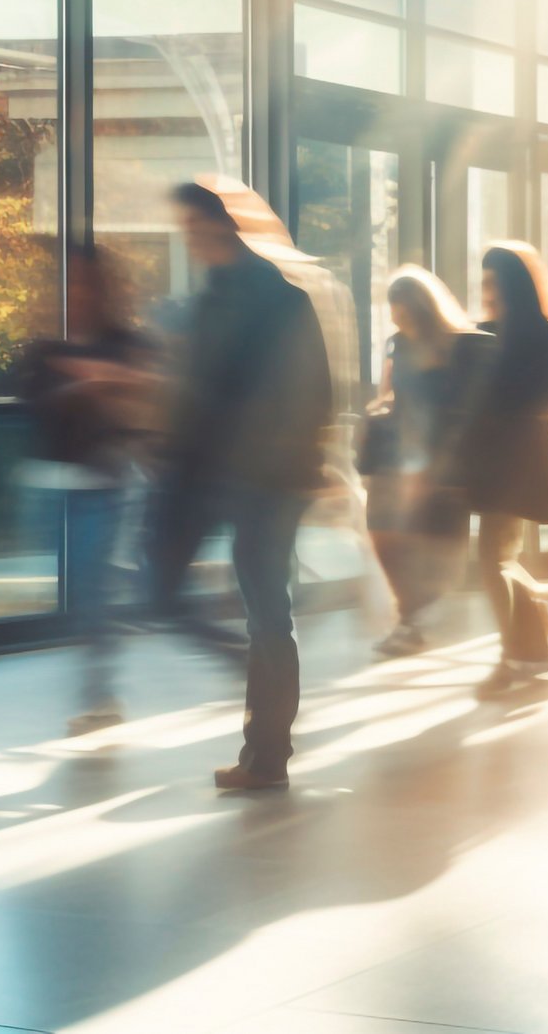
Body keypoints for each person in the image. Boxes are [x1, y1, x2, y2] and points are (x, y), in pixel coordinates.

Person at [149, 182, 333, 790]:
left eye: (193, 226)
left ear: (218, 224)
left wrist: (285, 461)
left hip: (267, 480)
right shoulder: (215, 298)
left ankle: (268, 754)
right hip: (226, 474)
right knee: (245, 610)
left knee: (267, 614)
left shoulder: (278, 299)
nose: (189, 239)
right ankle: (264, 744)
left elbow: (310, 394)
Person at [17, 245, 157, 734]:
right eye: (72, 281)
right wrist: (87, 387)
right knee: (84, 593)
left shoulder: (122, 342)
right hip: (53, 484)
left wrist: (103, 385)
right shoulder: (46, 347)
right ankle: (100, 690)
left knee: (93, 591)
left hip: (105, 484)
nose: (78, 292)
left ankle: (101, 696)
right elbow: (33, 403)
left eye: (86, 281)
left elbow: (146, 397)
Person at [461, 242, 548, 696]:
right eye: (484, 281)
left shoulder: (529, 341)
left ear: (510, 285)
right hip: (499, 459)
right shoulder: (490, 336)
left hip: (516, 461)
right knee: (500, 558)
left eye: (493, 281)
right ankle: (530, 637)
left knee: (492, 560)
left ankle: (514, 656)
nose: (486, 291)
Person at [363, 267, 489, 659]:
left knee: (432, 544)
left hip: (438, 462)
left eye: (403, 310)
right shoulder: (397, 344)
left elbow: (462, 411)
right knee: (382, 533)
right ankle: (410, 618)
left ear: (422, 308)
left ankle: (411, 621)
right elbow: (394, 396)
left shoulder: (457, 348)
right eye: (393, 309)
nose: (397, 317)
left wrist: (442, 466)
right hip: (398, 457)